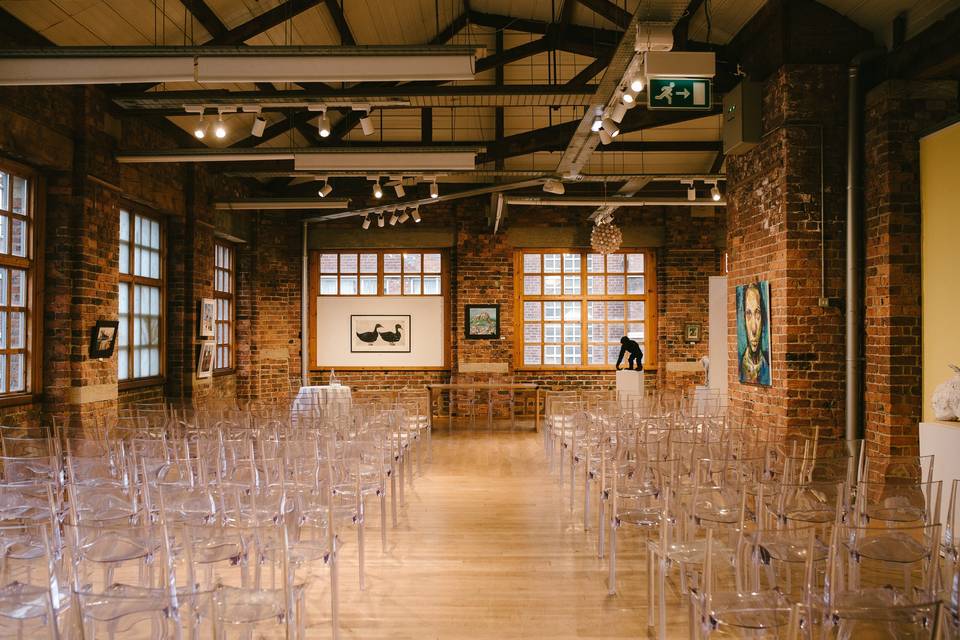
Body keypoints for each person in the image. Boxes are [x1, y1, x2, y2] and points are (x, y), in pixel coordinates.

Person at [739, 282, 770, 385]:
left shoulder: (767, 366)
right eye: (748, 314)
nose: (753, 328)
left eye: (757, 314)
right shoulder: (740, 367)